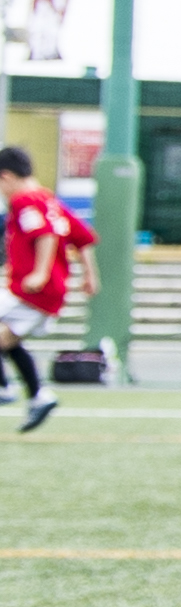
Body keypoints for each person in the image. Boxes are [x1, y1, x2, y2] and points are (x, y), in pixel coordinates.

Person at [0, 143, 94, 430]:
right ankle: (37, 396)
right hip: (42, 290)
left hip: (34, 292)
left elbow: (46, 236)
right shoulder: (48, 199)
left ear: (5, 177)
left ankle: (9, 388)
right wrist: (90, 275)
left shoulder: (24, 200)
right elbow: (82, 237)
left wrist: (40, 273)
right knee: (6, 340)